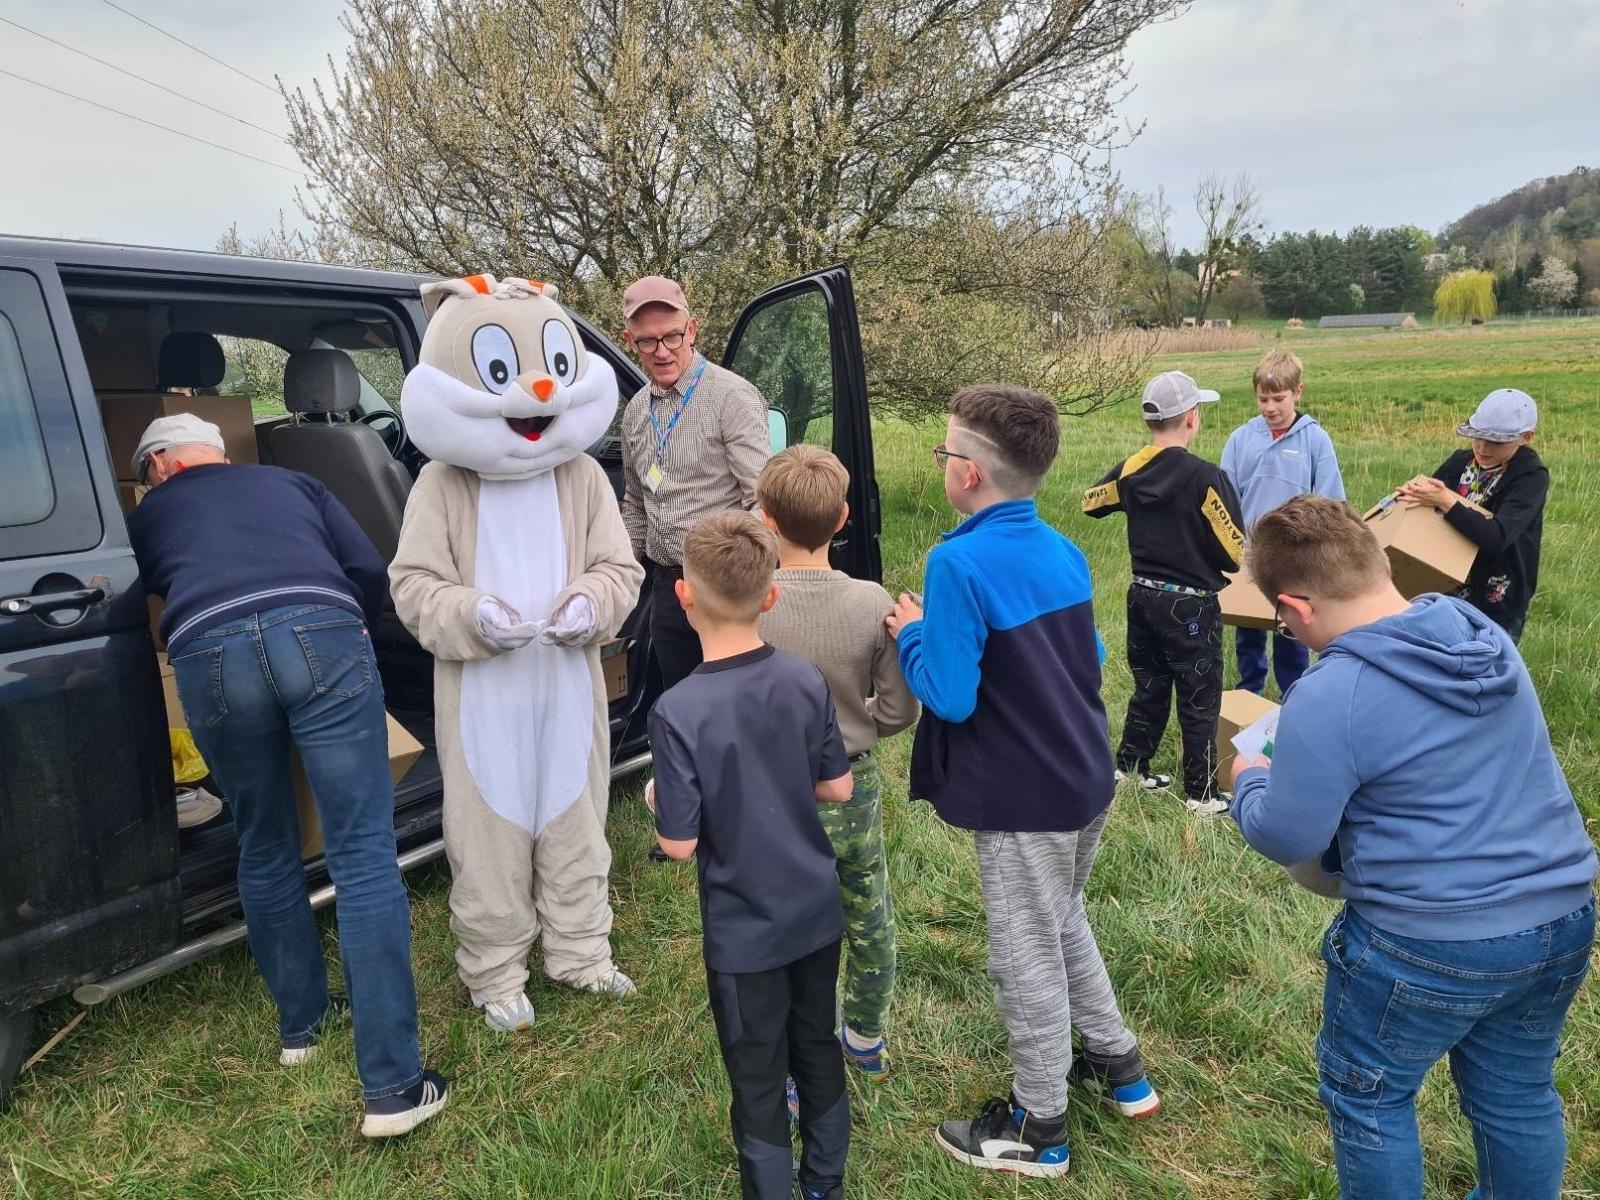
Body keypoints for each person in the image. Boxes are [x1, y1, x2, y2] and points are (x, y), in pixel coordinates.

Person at [1230, 495, 1595, 1200]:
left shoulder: (1330, 691)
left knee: (1369, 1098)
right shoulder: (1472, 628)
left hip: (1427, 943)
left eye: (1280, 615)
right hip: (1561, 915)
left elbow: (1289, 833)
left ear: (1297, 609)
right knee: (1517, 1091)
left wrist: (1249, 782)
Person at [126, 414, 447, 1138]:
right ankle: (395, 1087)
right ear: (210, 453)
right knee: (361, 852)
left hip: (208, 654)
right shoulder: (290, 481)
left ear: (164, 469)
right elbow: (369, 569)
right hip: (321, 633)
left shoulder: (151, 516)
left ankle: (301, 1027)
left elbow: (139, 602)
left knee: (263, 841)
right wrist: (349, 628)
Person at [888, 385, 1159, 1179]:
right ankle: (1121, 1067)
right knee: (1063, 915)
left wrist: (910, 635)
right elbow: (1093, 664)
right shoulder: (1064, 551)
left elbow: (950, 693)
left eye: (944, 454)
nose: (943, 465)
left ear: (968, 474)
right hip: (1085, 776)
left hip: (1022, 802)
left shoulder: (956, 561)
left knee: (1024, 954)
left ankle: (1040, 1126)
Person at [389, 274, 645, 1033]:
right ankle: (495, 969)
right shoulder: (440, 484)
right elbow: (413, 585)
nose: (534, 390)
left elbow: (618, 569)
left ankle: (580, 950)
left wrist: (588, 606)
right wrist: (473, 615)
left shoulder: (583, 475)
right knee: (488, 826)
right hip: (483, 691)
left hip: (567, 680)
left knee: (576, 812)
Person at [647, 511, 854, 1200]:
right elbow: (838, 785)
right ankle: (824, 1184)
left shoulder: (679, 711)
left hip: (744, 936)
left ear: (684, 595)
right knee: (818, 1045)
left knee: (759, 1074)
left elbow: (678, 844)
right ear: (772, 596)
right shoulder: (803, 678)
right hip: (818, 912)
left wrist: (658, 800)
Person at [755, 445, 920, 1077]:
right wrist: (863, 726)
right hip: (850, 781)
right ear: (844, 517)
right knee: (867, 906)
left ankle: (797, 1058)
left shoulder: (755, 601)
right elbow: (901, 709)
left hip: (772, 790)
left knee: (785, 924)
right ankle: (865, 1035)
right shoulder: (868, 600)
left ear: (766, 518)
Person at [1083, 370, 1245, 815]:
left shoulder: (1133, 469)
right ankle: (1202, 794)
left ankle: (1132, 767)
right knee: (1199, 697)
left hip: (1143, 596)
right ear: (1192, 418)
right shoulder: (1206, 476)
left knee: (1149, 685)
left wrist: (1128, 484)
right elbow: (1233, 551)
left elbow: (1091, 503)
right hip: (1191, 603)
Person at [618, 275, 771, 691]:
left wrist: (739, 579)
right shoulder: (635, 412)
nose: (662, 351)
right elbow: (635, 503)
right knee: (684, 704)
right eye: (647, 342)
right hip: (669, 590)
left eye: (672, 336)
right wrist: (614, 569)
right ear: (629, 340)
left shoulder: (732, 398)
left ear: (693, 328)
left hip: (727, 589)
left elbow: (763, 503)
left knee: (735, 703)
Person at [1221, 350, 1344, 695]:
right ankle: (1249, 693)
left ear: (1298, 392)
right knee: (1249, 632)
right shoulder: (1240, 439)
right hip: (1250, 555)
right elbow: (1227, 499)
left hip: (1296, 558)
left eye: (1279, 398)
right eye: (1263, 398)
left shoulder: (1315, 440)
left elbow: (1331, 500)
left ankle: (1295, 695)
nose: (1270, 407)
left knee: (1292, 631)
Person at [1395, 388, 1548, 643]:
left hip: (1496, 599)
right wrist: (1410, 496)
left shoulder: (1530, 477)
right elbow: (1427, 502)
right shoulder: (1460, 463)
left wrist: (1447, 502)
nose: (1483, 448)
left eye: (1496, 442)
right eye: (1477, 437)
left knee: (1486, 670)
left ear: (1527, 437)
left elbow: (1498, 536)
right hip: (1444, 587)